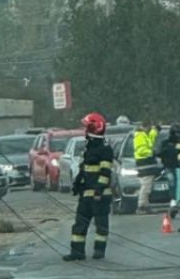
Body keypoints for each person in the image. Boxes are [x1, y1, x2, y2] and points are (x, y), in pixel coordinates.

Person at [65, 112, 114, 261]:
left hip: (100, 195)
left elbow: (105, 173)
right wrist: (77, 185)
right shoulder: (88, 148)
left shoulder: (105, 149)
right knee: (79, 224)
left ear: (94, 128)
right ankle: (77, 252)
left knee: (101, 226)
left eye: (87, 127)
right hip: (86, 195)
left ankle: (99, 251)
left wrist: (98, 190)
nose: (84, 130)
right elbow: (84, 169)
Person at [133, 121, 159, 213]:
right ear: (144, 127)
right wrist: (152, 153)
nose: (149, 129)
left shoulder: (144, 135)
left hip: (147, 165)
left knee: (147, 186)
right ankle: (141, 206)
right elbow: (141, 150)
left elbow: (151, 140)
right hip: (144, 165)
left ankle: (146, 205)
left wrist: (155, 130)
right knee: (146, 186)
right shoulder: (140, 136)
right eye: (149, 127)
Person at [161, 123, 180, 217]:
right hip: (169, 167)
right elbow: (160, 153)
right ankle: (173, 202)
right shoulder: (166, 143)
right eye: (177, 133)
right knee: (172, 183)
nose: (178, 135)